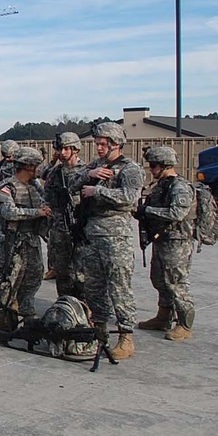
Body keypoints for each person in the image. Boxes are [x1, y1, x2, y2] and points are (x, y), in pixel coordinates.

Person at [69, 122, 144, 360]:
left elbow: (130, 198)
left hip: (116, 236)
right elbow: (70, 184)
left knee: (119, 287)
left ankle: (126, 336)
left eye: (103, 144)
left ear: (116, 144)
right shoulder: (96, 166)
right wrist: (88, 175)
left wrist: (97, 191)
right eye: (97, 144)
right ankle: (98, 331)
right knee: (94, 286)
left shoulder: (130, 169)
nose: (99, 148)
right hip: (92, 235)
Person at [137, 146, 196, 341]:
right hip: (162, 239)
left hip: (177, 242)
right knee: (160, 279)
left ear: (165, 165)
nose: (151, 170)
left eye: (154, 166)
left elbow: (177, 213)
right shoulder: (161, 185)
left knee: (177, 282)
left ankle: (184, 324)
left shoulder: (179, 186)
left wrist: (148, 211)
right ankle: (163, 317)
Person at [0, 147, 51, 318]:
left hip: (31, 240)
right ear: (27, 166)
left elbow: (45, 202)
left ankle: (27, 309)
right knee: (8, 281)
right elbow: (9, 212)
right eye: (35, 166)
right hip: (11, 241)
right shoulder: (7, 186)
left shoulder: (34, 185)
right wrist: (38, 213)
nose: (38, 170)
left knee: (33, 276)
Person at [41, 132, 85, 296]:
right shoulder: (55, 171)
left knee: (81, 271)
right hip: (59, 228)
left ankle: (83, 305)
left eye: (67, 149)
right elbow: (45, 186)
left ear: (76, 149)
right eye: (61, 149)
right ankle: (65, 303)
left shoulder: (86, 171)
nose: (63, 153)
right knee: (62, 270)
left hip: (79, 228)